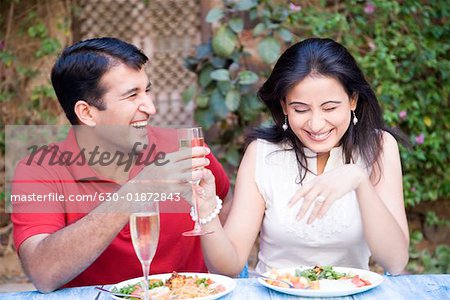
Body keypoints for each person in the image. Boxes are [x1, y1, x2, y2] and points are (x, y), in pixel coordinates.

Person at [10, 37, 230, 292]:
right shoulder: (39, 169)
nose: (150, 107)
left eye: (146, 91)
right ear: (87, 113)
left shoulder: (184, 149)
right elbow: (42, 272)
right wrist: (137, 192)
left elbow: (225, 207)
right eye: (131, 95)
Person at [196, 38, 409, 276]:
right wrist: (207, 213)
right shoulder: (262, 153)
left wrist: (359, 180)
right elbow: (229, 267)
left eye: (329, 108)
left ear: (353, 100)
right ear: (284, 106)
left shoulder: (379, 147)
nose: (316, 124)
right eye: (300, 109)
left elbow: (395, 261)